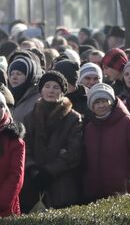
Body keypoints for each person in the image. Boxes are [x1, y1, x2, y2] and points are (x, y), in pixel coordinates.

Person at [19, 71, 83, 212]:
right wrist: (33, 170)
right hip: (33, 185)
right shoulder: (29, 118)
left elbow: (74, 152)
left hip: (62, 186)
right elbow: (24, 148)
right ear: (41, 90)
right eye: (47, 86)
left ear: (63, 91)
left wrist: (50, 171)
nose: (51, 90)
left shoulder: (73, 118)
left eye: (56, 87)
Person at [80, 83, 130, 201]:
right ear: (91, 106)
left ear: (111, 102)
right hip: (94, 195)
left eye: (104, 101)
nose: (101, 105)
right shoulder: (89, 128)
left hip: (124, 193)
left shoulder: (128, 123)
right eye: (97, 102)